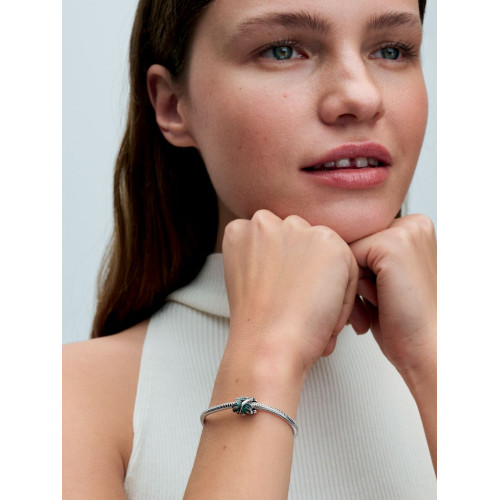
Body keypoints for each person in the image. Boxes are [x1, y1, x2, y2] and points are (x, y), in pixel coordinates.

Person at [63, 0, 436, 498]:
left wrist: (435, 359)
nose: (362, 96)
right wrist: (268, 356)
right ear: (172, 104)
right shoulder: (66, 402)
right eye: (282, 50)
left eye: (391, 50)